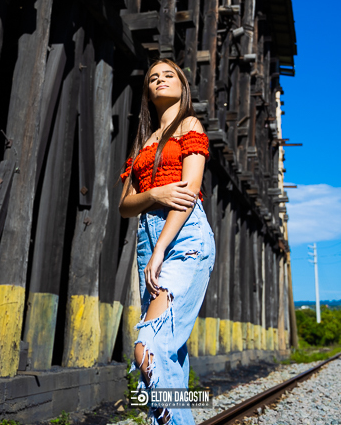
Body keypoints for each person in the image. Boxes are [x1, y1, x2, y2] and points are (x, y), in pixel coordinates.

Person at [119, 58, 216, 425]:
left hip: (184, 237)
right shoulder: (143, 142)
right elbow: (125, 206)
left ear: (182, 85)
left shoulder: (189, 125)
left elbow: (188, 193)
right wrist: (154, 194)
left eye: (168, 75)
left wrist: (160, 249)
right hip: (148, 241)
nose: (159, 80)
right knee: (169, 361)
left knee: (148, 349)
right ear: (147, 91)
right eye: (153, 78)